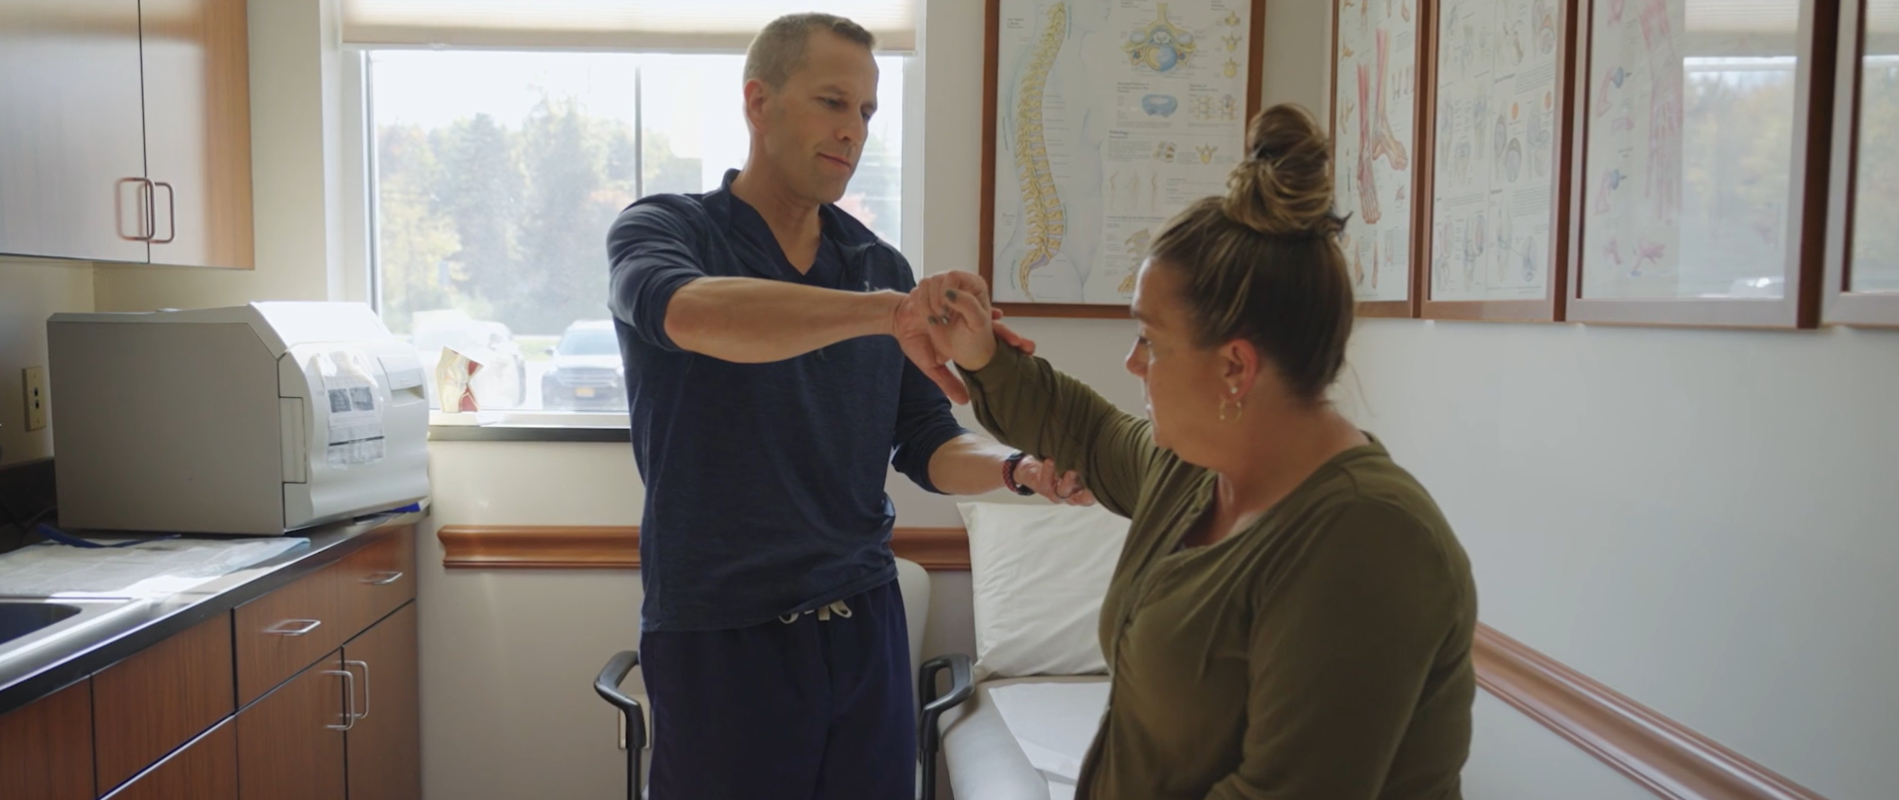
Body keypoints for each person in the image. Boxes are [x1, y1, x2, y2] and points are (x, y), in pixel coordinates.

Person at [913, 104, 1477, 799]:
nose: (1131, 362)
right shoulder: (1193, 471)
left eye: (1149, 338)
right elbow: (1085, 433)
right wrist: (981, 353)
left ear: (1233, 368)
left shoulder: (1370, 539)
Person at [604, 13, 1093, 800]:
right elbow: (692, 315)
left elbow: (924, 440)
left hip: (863, 623)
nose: (852, 131)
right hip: (722, 631)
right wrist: (880, 312)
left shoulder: (873, 261)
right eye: (832, 102)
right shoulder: (666, 230)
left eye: (865, 112)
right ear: (758, 103)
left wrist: (1018, 470)